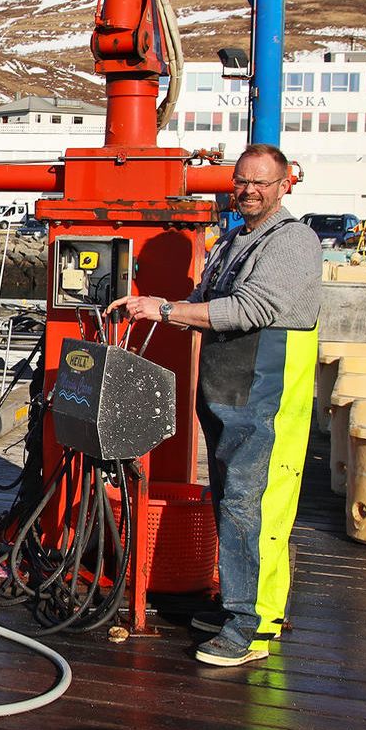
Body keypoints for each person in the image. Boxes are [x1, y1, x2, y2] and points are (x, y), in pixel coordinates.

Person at [108, 144, 321, 668]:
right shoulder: (234, 239)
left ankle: (250, 625)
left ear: (284, 185)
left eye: (262, 183)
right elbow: (204, 302)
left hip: (264, 396)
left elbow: (253, 308)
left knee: (252, 505)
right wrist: (154, 309)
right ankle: (236, 606)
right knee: (231, 497)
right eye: (242, 181)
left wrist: (162, 307)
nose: (249, 190)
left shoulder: (293, 241)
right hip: (229, 393)